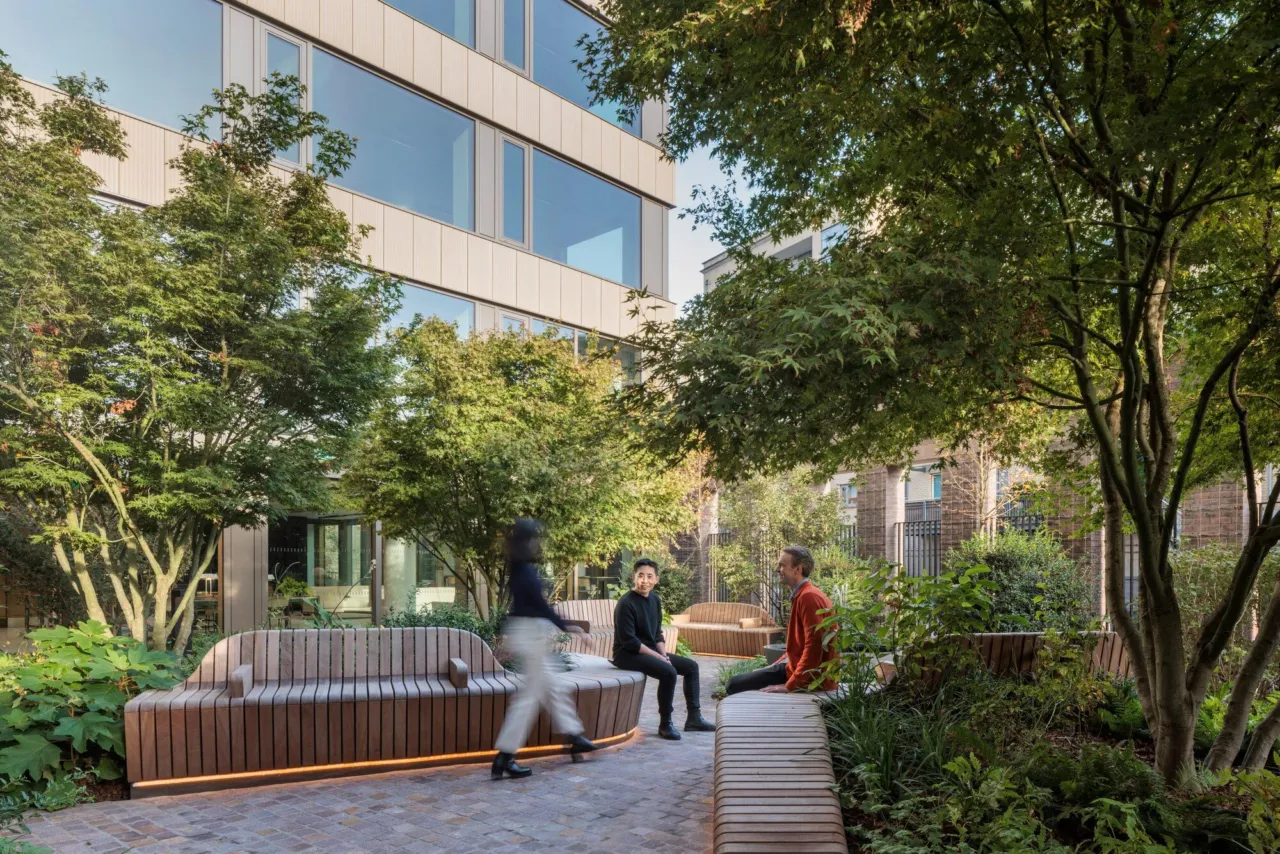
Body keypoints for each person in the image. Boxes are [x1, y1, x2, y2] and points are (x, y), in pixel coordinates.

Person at [491, 519, 597, 779]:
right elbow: (540, 605)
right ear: (528, 540)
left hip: (528, 633)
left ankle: (574, 737)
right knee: (528, 699)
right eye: (535, 538)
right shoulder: (524, 571)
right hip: (529, 635)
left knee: (553, 687)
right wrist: (568, 626)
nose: (538, 542)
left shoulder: (518, 568)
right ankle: (505, 756)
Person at [611, 558, 717, 740]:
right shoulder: (626, 603)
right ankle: (665, 723)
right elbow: (629, 641)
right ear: (634, 577)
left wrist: (663, 654)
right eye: (641, 576)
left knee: (691, 667)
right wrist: (660, 658)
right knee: (669, 672)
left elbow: (657, 634)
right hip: (627, 654)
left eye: (649, 576)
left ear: (656, 579)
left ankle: (694, 718)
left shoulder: (655, 600)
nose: (645, 580)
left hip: (649, 650)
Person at [725, 545, 838, 695]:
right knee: (738, 682)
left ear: (797, 569)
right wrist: (773, 666)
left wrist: (790, 686)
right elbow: (800, 647)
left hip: (813, 680)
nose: (778, 569)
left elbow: (814, 647)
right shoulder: (803, 595)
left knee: (734, 685)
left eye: (782, 565)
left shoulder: (808, 597)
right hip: (795, 669)